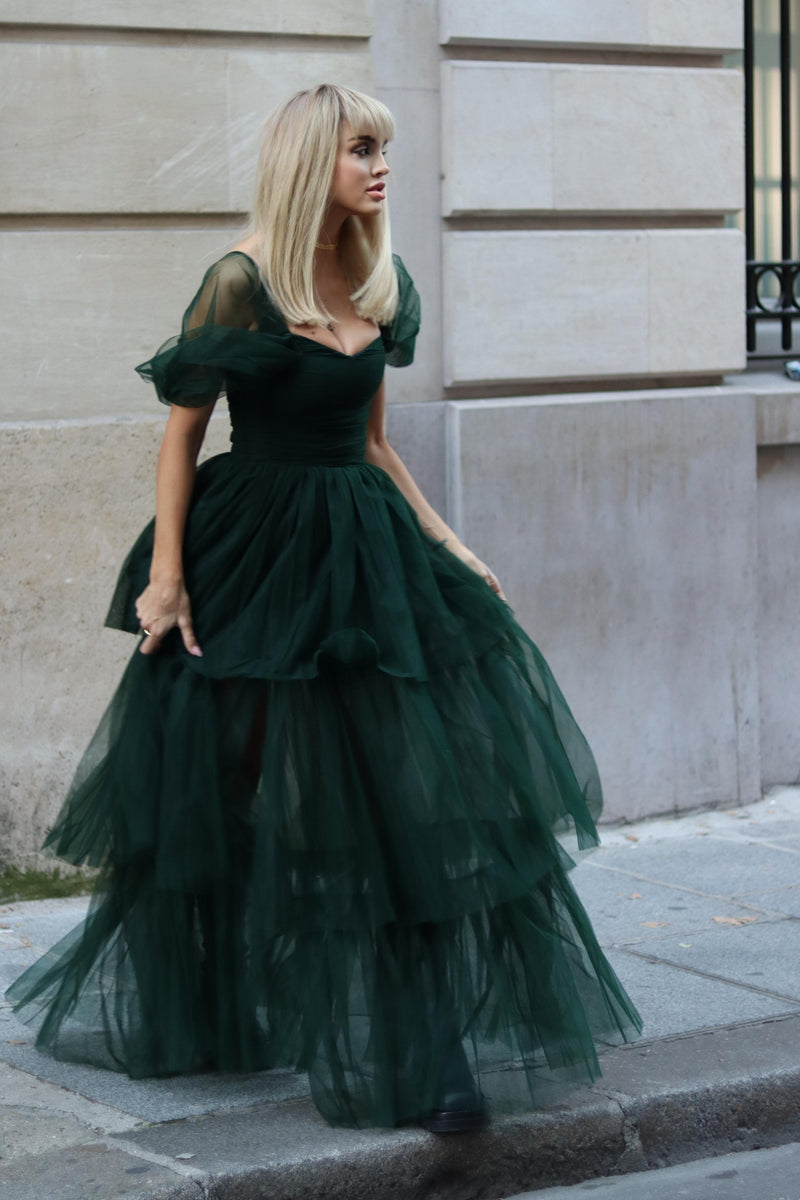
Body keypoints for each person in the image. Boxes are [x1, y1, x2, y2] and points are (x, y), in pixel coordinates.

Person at [6, 84, 641, 1133]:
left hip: (365, 556)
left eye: (383, 148)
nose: (380, 165)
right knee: (211, 789)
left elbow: (376, 442)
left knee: (399, 807)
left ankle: (436, 1065)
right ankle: (204, 1013)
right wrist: (166, 577)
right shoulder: (239, 280)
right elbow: (181, 434)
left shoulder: (377, 278)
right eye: (361, 149)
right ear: (314, 162)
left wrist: (444, 539)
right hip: (253, 555)